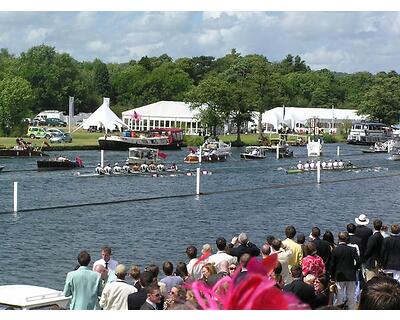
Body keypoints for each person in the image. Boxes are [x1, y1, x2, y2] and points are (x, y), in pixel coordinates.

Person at [330, 231, 361, 310]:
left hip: (339, 275)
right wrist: (355, 268)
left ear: (339, 238)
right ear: (347, 239)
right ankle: (351, 310)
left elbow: (332, 265)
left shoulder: (335, 250)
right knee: (351, 295)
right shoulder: (352, 249)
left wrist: (332, 275)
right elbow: (359, 261)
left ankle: (338, 310)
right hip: (351, 275)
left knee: (339, 295)